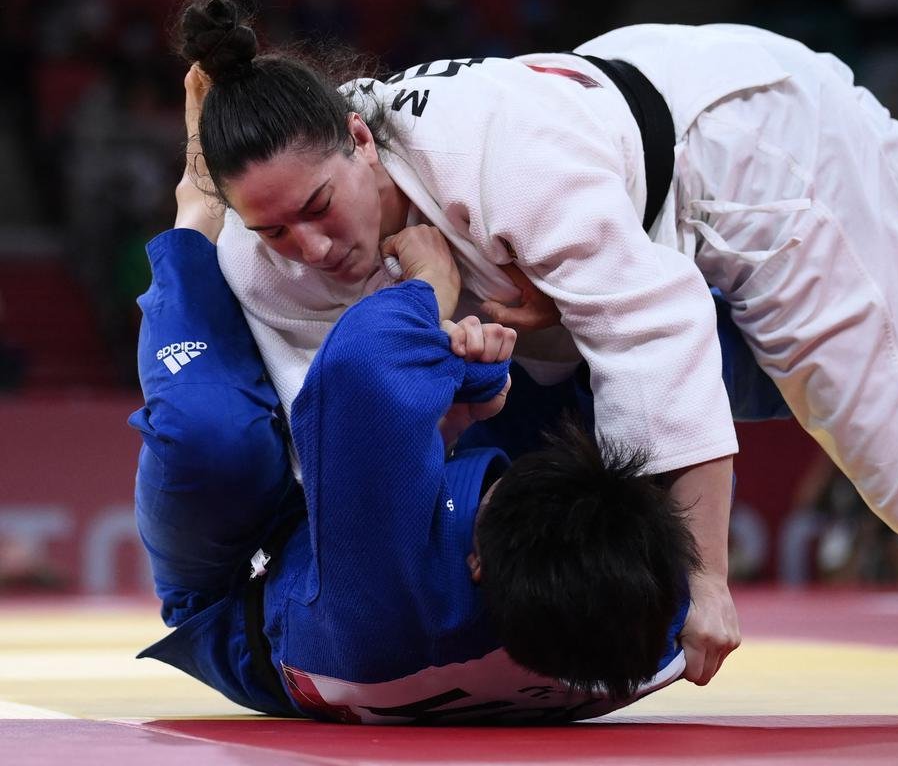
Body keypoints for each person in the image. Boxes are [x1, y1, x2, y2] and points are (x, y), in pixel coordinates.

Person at [178, 0, 898, 687]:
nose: (310, 247)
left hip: (753, 163)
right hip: (701, 82)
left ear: (359, 139)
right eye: (272, 228)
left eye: (317, 207)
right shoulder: (270, 245)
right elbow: (332, 418)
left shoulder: (498, 160)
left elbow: (658, 331)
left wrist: (703, 570)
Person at [130, 147, 698, 719]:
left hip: (252, 594)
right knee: (610, 370)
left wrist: (434, 283)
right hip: (442, 615)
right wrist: (714, 582)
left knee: (211, 439)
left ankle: (192, 220)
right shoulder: (652, 628)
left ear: (473, 562)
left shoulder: (383, 575)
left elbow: (359, 362)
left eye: (494, 494)